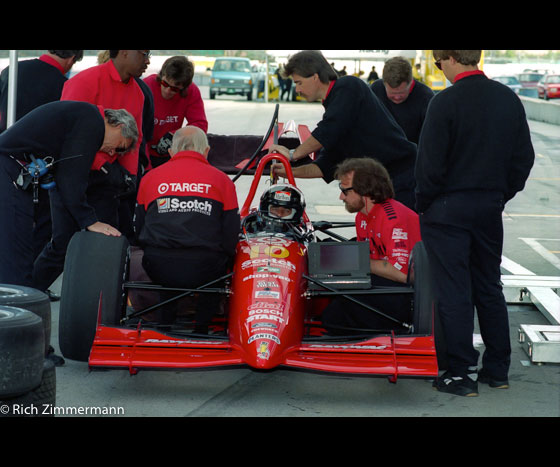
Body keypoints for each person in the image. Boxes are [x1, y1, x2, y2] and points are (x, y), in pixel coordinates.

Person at [415, 50, 535, 397]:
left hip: (447, 208)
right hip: (488, 206)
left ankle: (460, 372)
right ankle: (498, 369)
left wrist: (425, 204)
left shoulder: (444, 103)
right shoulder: (507, 99)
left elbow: (429, 167)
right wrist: (499, 195)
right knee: (488, 285)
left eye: (439, 63)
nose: (440, 70)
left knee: (454, 291)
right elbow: (522, 159)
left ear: (450, 58)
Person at [0, 101, 137, 290]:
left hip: (13, 170)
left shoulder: (82, 116)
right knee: (16, 252)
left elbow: (65, 174)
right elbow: (71, 178)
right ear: (119, 126)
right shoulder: (92, 122)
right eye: (119, 146)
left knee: (20, 249)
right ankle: (17, 310)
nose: (113, 152)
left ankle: (24, 301)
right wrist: (90, 221)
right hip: (8, 169)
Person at [269, 50, 418, 211]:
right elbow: (324, 166)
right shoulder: (335, 110)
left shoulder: (349, 86)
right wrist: (288, 171)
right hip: (382, 184)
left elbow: (328, 129)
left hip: (405, 175)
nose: (297, 89)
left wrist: (292, 154)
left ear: (315, 76)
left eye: (299, 83)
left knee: (403, 233)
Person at [134, 126, 240, 333]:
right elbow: (230, 234)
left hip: (158, 264)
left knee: (166, 267)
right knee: (218, 264)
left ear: (172, 152)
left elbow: (139, 228)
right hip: (206, 267)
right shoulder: (222, 181)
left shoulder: (149, 178)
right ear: (206, 151)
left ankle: (164, 324)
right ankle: (201, 328)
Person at [0, 50, 84, 301]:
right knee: (43, 226)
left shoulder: (11, 72)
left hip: (6, 155)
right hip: (40, 165)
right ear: (72, 60)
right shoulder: (64, 85)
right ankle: (28, 285)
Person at [321, 158, 421, 335]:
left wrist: (353, 261)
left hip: (409, 296)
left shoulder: (393, 218)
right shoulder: (362, 217)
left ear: (364, 190)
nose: (341, 197)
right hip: (387, 288)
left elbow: (403, 273)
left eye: (345, 190)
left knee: (333, 318)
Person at [61, 50, 148, 226]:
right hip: (73, 173)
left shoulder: (138, 93)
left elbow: (135, 140)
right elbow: (68, 134)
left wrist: (130, 175)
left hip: (106, 180)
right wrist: (103, 165)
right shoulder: (85, 82)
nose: (147, 61)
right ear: (125, 52)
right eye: (144, 54)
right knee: (63, 242)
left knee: (106, 239)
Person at [143, 56, 208, 169]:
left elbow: (200, 125)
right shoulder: (146, 86)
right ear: (161, 76)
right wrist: (146, 166)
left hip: (173, 154)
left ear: (184, 88)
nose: (168, 91)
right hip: (144, 149)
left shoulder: (192, 91)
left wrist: (175, 135)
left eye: (175, 89)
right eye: (165, 84)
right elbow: (136, 126)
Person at [370, 57, 434, 144]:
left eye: (401, 93)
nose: (397, 97)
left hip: (414, 153)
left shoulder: (426, 97)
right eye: (392, 93)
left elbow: (430, 138)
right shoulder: (375, 91)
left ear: (411, 82)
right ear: (384, 84)